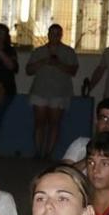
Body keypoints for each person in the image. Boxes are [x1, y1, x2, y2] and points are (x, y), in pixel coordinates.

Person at [26, 23, 79, 159]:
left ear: (61, 35)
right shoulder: (39, 51)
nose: (54, 36)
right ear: (48, 34)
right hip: (40, 91)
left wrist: (58, 63)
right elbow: (29, 70)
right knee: (39, 123)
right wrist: (44, 61)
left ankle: (48, 154)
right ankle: (38, 152)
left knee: (54, 124)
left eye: (57, 33)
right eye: (52, 33)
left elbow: (73, 71)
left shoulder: (68, 52)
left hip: (59, 92)